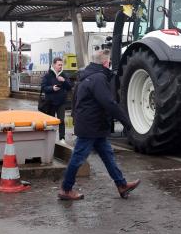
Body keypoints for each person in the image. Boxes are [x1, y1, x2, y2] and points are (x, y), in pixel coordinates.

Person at [58, 49, 140, 200]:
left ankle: (121, 185)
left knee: (108, 156)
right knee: (78, 158)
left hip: (94, 126)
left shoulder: (85, 77)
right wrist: (127, 122)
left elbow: (75, 102)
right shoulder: (98, 78)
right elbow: (109, 103)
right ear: (105, 63)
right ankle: (65, 189)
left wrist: (77, 121)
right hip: (91, 127)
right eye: (109, 63)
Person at [40, 57, 72, 146]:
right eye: (59, 65)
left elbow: (69, 87)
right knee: (51, 122)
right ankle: (50, 139)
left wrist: (64, 81)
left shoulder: (64, 75)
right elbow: (43, 87)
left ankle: (62, 138)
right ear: (54, 65)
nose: (60, 66)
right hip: (50, 102)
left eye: (61, 65)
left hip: (61, 102)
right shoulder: (48, 75)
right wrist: (52, 88)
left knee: (61, 120)